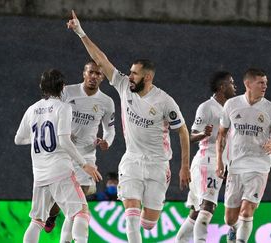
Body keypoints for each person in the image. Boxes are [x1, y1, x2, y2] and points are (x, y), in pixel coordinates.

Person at [66, 10, 191, 243]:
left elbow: (182, 131)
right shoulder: (124, 86)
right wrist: (80, 31)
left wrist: (185, 167)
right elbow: (101, 59)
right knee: (131, 218)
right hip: (132, 161)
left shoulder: (165, 101)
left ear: (148, 77)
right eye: (130, 73)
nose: (130, 76)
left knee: (149, 223)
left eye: (134, 74)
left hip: (158, 164)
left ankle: (149, 214)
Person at [14, 69, 102, 243]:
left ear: (41, 86)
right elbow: (64, 141)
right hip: (60, 171)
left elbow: (19, 139)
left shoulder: (32, 109)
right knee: (81, 213)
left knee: (37, 221)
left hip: (39, 174)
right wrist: (85, 164)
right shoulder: (63, 108)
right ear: (63, 87)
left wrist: (43, 138)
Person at [43, 60, 116, 240]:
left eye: (98, 74)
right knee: (60, 201)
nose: (94, 76)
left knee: (77, 199)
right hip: (62, 152)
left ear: (103, 77)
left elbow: (110, 129)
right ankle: (52, 216)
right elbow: (50, 114)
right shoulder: (67, 92)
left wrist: (107, 141)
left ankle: (67, 239)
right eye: (91, 72)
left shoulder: (106, 102)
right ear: (84, 73)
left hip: (87, 155)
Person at [216, 68, 271, 243]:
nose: (265, 86)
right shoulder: (231, 105)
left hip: (259, 165)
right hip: (236, 166)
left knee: (247, 210)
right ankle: (233, 229)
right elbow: (221, 134)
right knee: (230, 218)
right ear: (248, 84)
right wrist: (219, 162)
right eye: (260, 83)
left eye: (266, 83)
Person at [176, 71, 236, 243]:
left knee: (196, 213)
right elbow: (190, 136)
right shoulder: (207, 107)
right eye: (231, 83)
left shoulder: (231, 108)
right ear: (222, 87)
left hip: (219, 164)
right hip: (207, 162)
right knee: (208, 207)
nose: (235, 86)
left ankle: (180, 240)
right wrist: (203, 133)